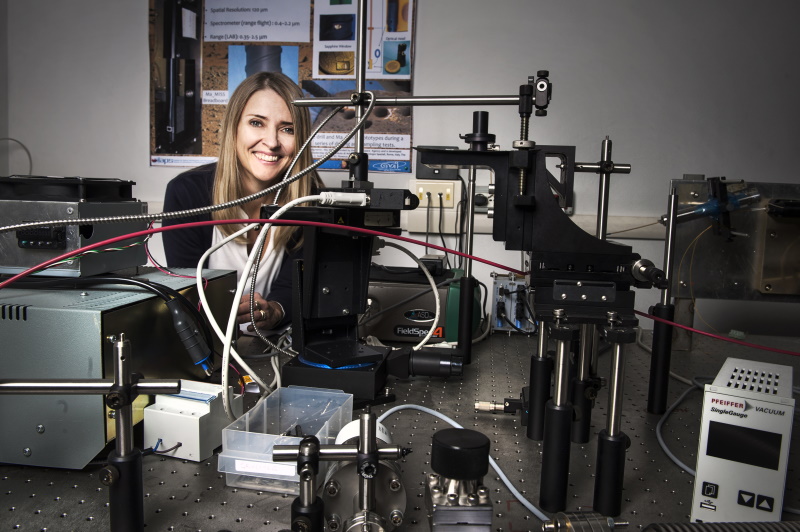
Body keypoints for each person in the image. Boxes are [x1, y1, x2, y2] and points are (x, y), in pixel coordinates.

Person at [162, 71, 322, 331]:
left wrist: (275, 310)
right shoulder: (187, 193)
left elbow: (295, 287)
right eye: (257, 123)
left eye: (287, 129)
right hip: (209, 344)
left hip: (275, 345)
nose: (271, 142)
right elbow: (187, 289)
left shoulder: (311, 199)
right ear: (233, 127)